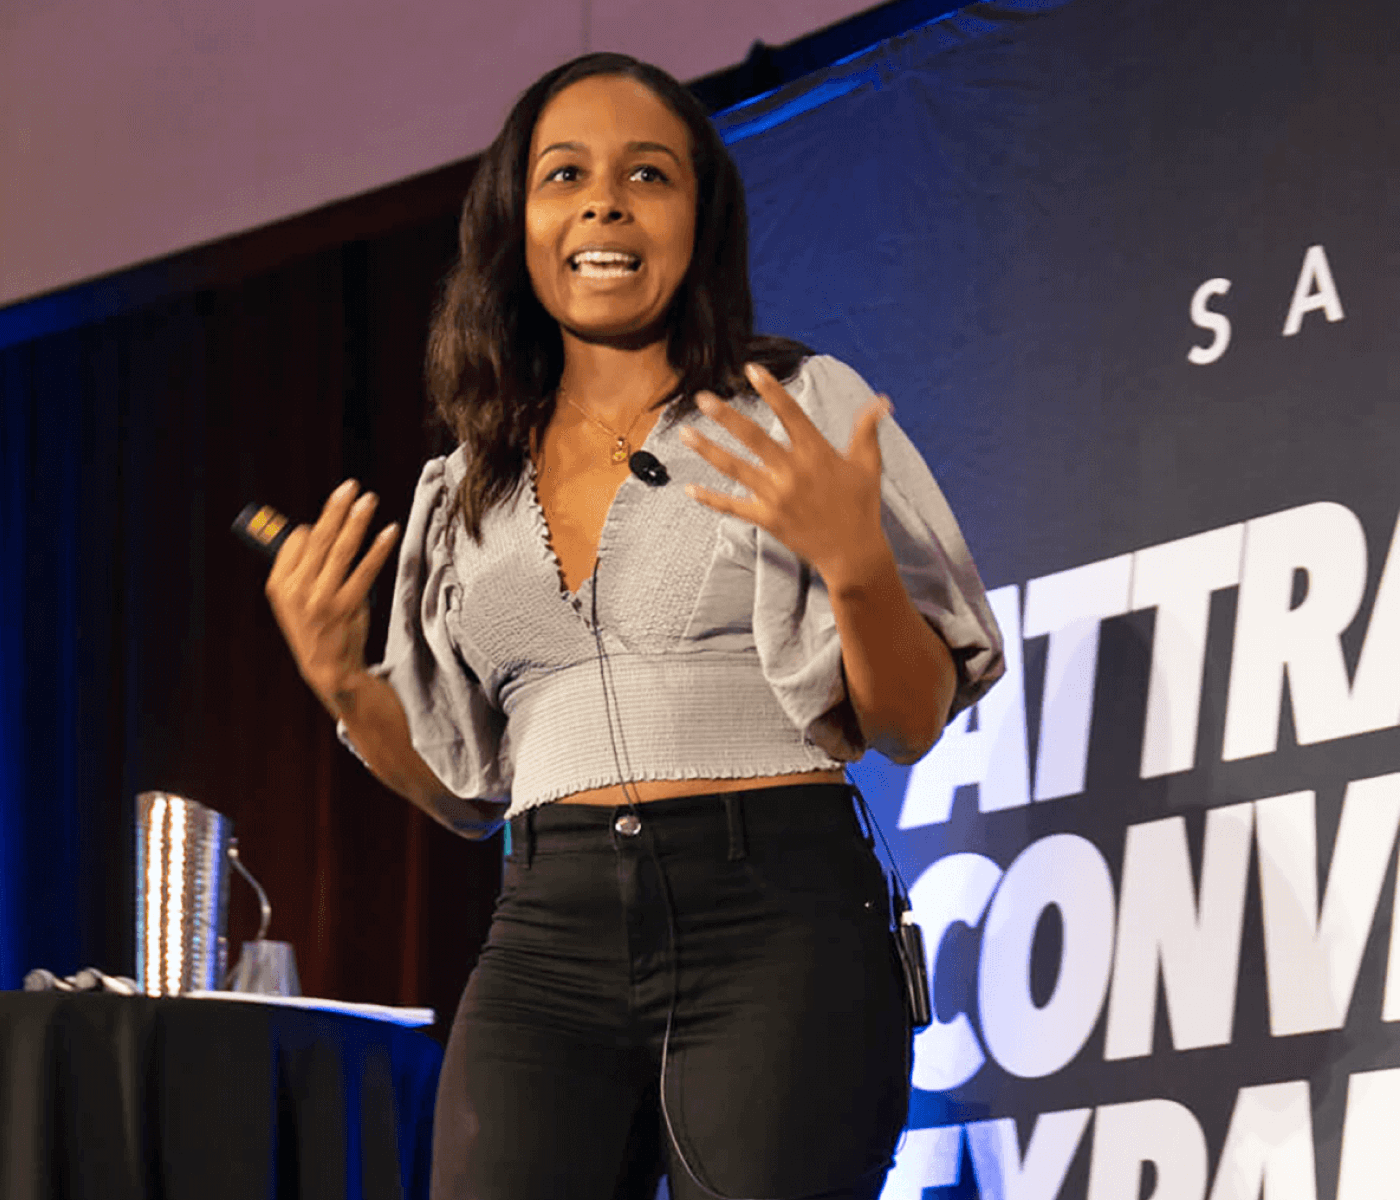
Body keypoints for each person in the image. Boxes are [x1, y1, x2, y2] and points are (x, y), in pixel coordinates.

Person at [262, 52, 1005, 1200]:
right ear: (519, 223)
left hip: (778, 927)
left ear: (697, 221)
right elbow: (468, 791)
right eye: (565, 174)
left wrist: (858, 568)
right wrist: (345, 687)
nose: (603, 201)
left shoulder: (791, 408)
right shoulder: (467, 486)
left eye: (646, 174)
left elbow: (903, 723)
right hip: (546, 940)